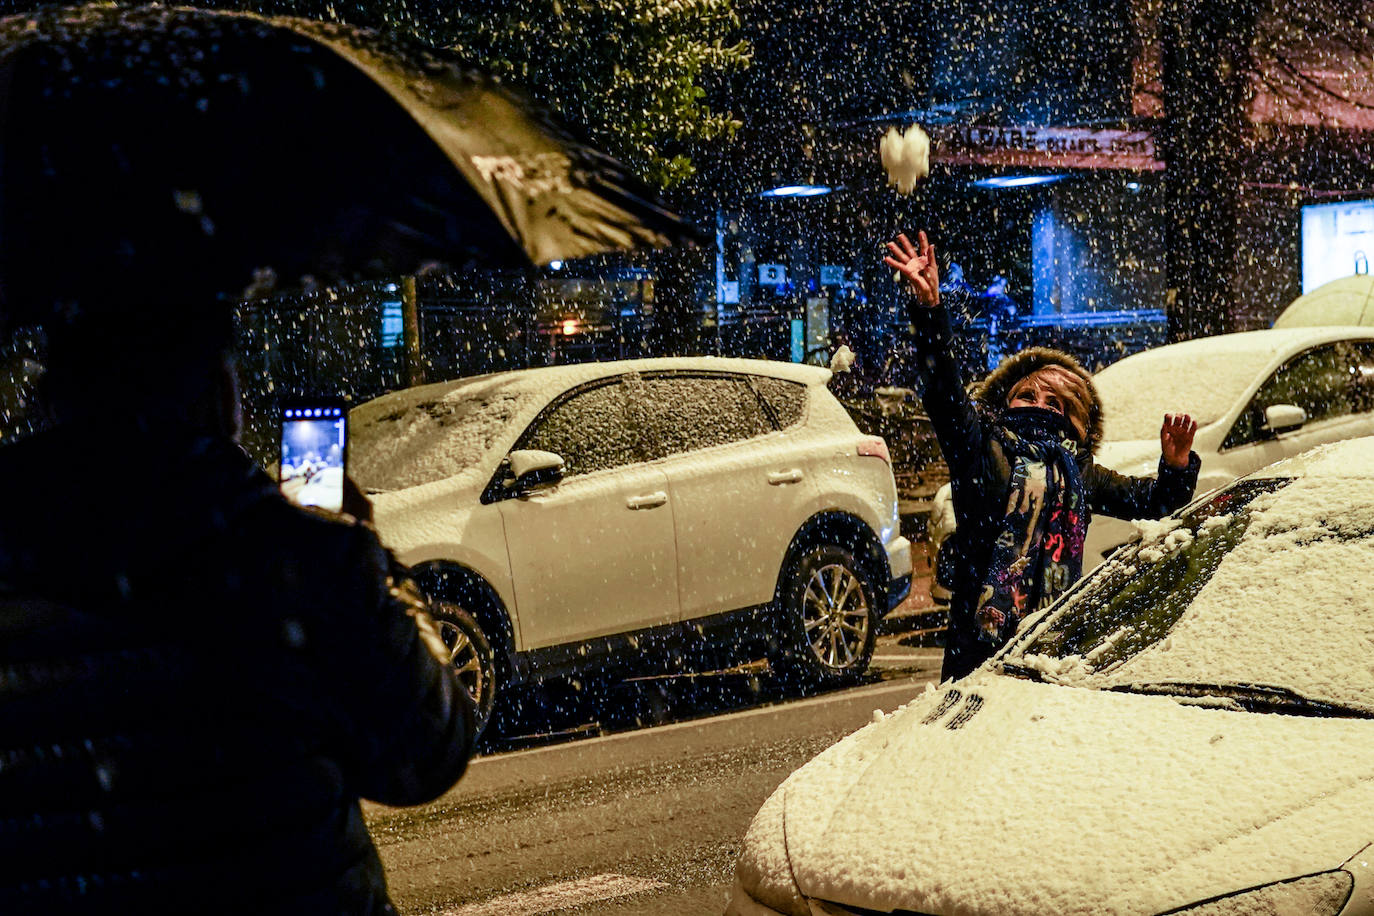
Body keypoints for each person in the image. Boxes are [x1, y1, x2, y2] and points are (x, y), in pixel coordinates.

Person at [0, 305, 475, 912]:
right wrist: (371, 558)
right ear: (220, 394)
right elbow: (430, 750)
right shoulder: (296, 560)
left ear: (55, 396)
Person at [884, 231, 1200, 682]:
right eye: (1027, 393)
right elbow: (943, 392)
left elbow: (1156, 506)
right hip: (977, 654)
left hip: (1052, 654)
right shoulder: (982, 447)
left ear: (1075, 423)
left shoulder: (1078, 473)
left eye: (1054, 402)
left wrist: (1176, 466)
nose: (1037, 403)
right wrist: (931, 309)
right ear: (1005, 401)